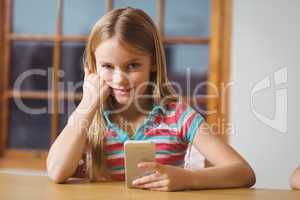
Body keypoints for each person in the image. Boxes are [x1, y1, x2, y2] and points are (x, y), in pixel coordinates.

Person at [46, 7, 255, 191]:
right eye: (107, 66)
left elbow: (243, 172)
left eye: (133, 65)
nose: (120, 79)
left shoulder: (177, 115)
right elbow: (56, 172)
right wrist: (87, 104)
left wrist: (188, 178)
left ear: (153, 63)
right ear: (92, 67)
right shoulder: (89, 116)